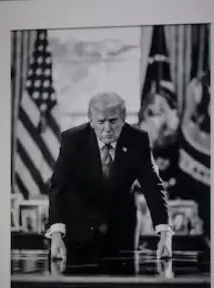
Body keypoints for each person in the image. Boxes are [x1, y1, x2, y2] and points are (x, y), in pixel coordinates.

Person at [45, 92, 173, 267]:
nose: (107, 128)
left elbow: (153, 187)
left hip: (122, 233)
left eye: (113, 121)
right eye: (101, 121)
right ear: (91, 120)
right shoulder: (73, 140)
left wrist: (165, 234)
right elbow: (58, 187)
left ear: (123, 119)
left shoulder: (138, 139)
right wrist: (57, 234)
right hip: (79, 231)